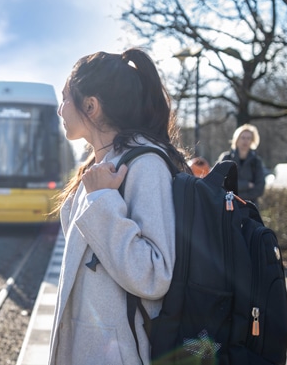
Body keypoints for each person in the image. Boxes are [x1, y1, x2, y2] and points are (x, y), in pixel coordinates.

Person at [49, 48, 189, 365]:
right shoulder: (102, 163)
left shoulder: (145, 164)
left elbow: (154, 274)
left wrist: (102, 202)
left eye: (65, 99)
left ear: (90, 106)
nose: (60, 110)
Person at [217, 123, 266, 203]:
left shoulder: (257, 161)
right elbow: (219, 182)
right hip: (228, 206)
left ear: (252, 141)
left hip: (250, 207)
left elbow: (259, 188)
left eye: (248, 138)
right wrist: (247, 185)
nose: (245, 141)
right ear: (237, 139)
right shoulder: (226, 158)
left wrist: (238, 196)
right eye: (243, 138)